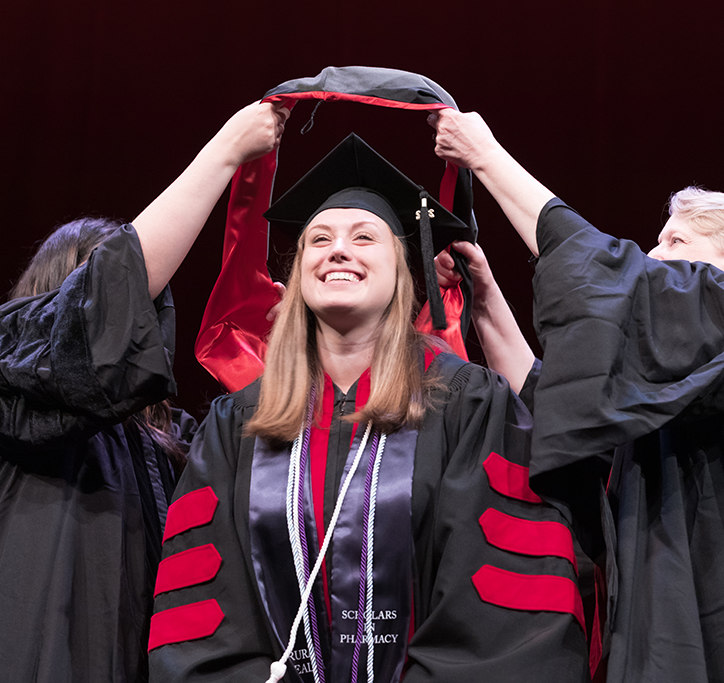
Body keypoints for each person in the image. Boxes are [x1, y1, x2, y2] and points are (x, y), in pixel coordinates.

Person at [428, 108, 724, 682]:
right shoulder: (689, 375)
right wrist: (484, 296)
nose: (651, 256)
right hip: (678, 617)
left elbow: (607, 275)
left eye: (674, 240)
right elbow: (544, 401)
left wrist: (488, 157)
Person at [147, 134, 589, 682]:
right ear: (299, 269)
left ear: (404, 272)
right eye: (320, 239)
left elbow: (502, 605)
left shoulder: (469, 405)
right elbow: (200, 606)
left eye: (364, 237)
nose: (338, 250)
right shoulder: (239, 423)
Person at [0, 101, 290, 683]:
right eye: (108, 290)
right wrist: (222, 154)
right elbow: (98, 317)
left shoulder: (167, 444)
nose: (137, 313)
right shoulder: (3, 369)